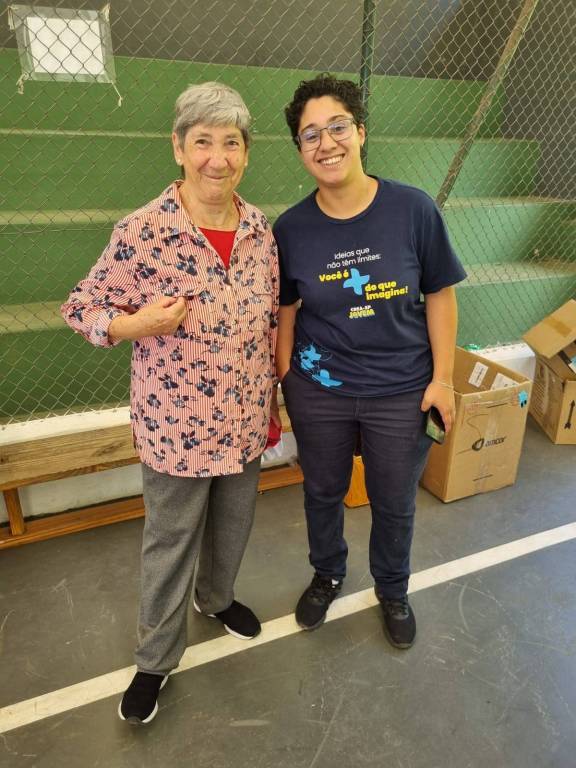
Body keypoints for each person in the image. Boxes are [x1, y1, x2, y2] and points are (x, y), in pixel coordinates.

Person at [61, 82, 279, 723]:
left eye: (231, 142)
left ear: (246, 153)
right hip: (176, 427)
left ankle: (217, 598)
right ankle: (155, 660)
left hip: (245, 418)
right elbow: (81, 307)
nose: (218, 158)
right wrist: (136, 325)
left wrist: (271, 400)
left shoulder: (259, 230)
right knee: (171, 540)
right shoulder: (142, 231)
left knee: (234, 524)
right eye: (203, 141)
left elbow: (269, 322)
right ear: (179, 148)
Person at [274, 74, 466, 649]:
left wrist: (442, 380)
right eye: (310, 135)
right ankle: (327, 573)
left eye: (337, 127)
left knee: (394, 501)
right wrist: (284, 378)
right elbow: (285, 308)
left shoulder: (413, 209)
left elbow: (440, 294)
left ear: (359, 132)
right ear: (300, 150)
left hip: (402, 390)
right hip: (319, 388)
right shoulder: (291, 228)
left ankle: (393, 589)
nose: (326, 143)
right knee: (322, 491)